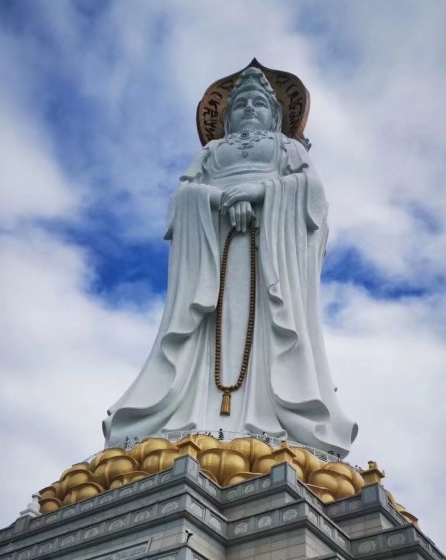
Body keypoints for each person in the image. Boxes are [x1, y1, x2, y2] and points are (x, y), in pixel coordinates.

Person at [103, 66, 356, 457]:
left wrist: (260, 194)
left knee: (267, 329)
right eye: (241, 105)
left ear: (275, 115)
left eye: (259, 103)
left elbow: (311, 194)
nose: (250, 110)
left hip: (268, 255)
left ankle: (265, 421)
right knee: (207, 334)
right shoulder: (211, 153)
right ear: (226, 118)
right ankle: (190, 417)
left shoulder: (287, 149)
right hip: (212, 249)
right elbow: (183, 198)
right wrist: (217, 200)